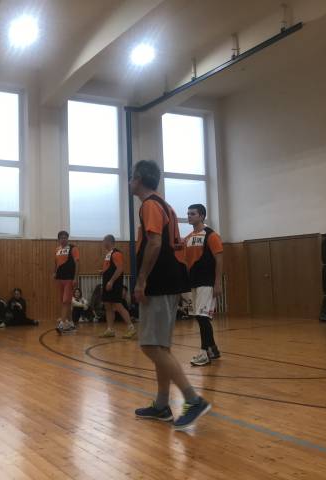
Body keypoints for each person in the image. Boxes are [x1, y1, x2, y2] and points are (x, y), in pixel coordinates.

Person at [131, 160, 211, 431]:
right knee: (160, 347)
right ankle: (162, 405)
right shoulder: (164, 205)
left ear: (138, 179)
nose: (129, 182)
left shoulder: (150, 205)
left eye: (131, 178)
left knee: (149, 346)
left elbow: (154, 243)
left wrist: (141, 280)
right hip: (170, 281)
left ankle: (193, 400)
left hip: (160, 282)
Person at [184, 204, 224, 366]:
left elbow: (219, 259)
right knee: (200, 317)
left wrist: (217, 282)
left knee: (203, 317)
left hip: (207, 282)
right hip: (193, 282)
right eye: (188, 214)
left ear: (202, 216)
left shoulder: (211, 235)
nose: (189, 216)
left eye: (193, 214)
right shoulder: (187, 238)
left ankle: (204, 353)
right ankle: (212, 349)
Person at [99, 235, 136, 339]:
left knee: (118, 305)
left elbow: (120, 269)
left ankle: (131, 328)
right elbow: (110, 267)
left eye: (104, 241)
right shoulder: (108, 254)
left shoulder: (116, 253)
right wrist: (103, 272)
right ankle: (110, 330)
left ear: (108, 241)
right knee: (107, 305)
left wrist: (111, 281)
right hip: (107, 283)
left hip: (114, 284)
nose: (103, 243)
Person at [54, 230, 79, 333]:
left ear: (67, 238)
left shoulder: (73, 248)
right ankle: (71, 323)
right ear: (59, 239)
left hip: (69, 278)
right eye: (61, 238)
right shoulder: (57, 249)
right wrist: (55, 272)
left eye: (65, 237)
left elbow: (77, 263)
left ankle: (62, 323)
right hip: (60, 279)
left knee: (65, 301)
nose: (63, 239)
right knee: (66, 302)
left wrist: (75, 278)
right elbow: (56, 262)